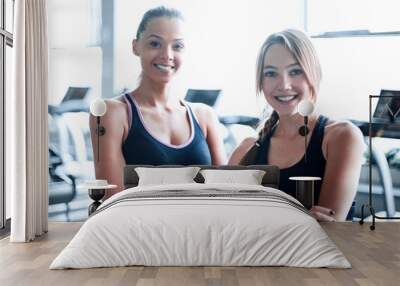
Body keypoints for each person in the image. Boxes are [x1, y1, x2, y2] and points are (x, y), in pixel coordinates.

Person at [90, 6, 226, 199]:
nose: (167, 55)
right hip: (141, 227)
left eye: (177, 46)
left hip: (203, 226)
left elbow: (225, 191)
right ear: (135, 46)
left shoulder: (204, 116)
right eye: (155, 44)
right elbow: (114, 198)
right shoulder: (111, 113)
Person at [229, 29, 365, 221]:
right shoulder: (244, 151)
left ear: (314, 74)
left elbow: (326, 232)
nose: (284, 84)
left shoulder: (342, 137)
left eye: (295, 71)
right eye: (271, 73)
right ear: (261, 82)